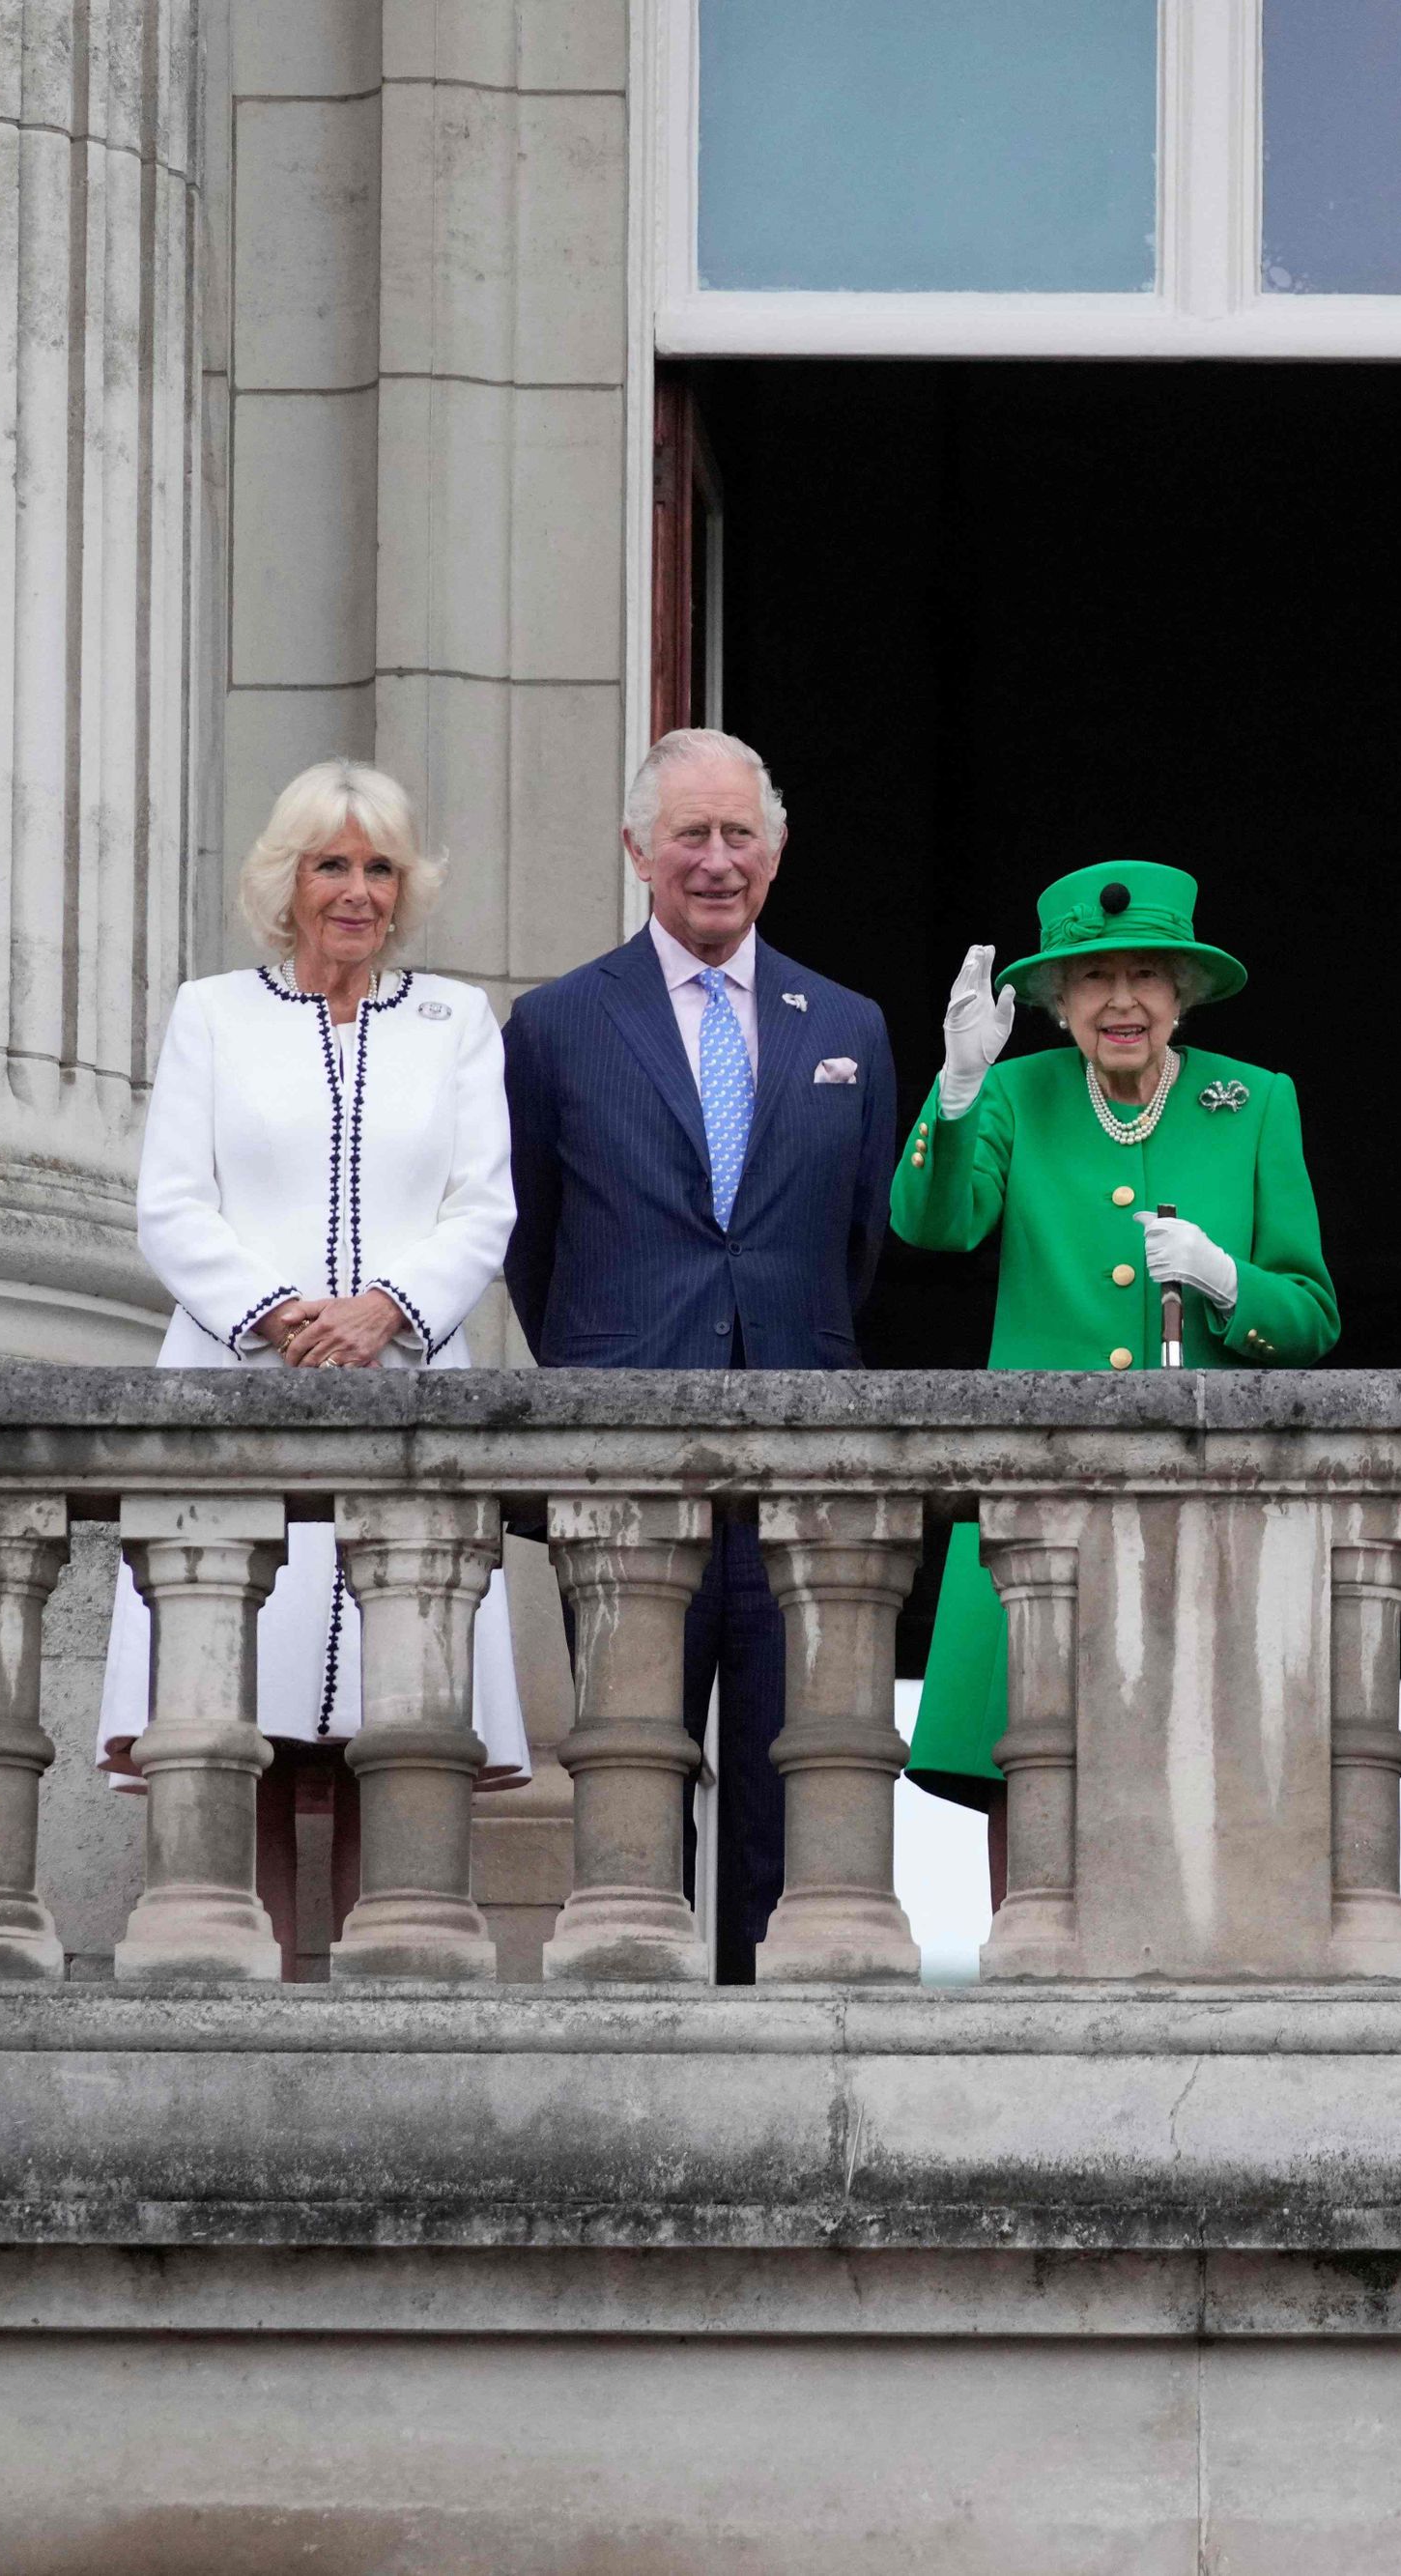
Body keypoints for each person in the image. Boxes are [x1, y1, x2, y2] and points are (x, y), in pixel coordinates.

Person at [97, 759, 530, 1974]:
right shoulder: (212, 1015)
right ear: (285, 883)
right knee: (242, 1714)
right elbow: (171, 1205)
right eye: (331, 865)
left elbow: (482, 1207)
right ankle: (258, 1993)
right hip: (239, 1387)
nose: (356, 891)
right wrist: (282, 1315)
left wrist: (386, 1309)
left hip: (405, 1390)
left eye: (379, 867)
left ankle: (377, 1995)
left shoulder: (455, 1022)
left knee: (390, 1727)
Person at [501, 727, 901, 1985]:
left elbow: (860, 1244)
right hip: (626, 1460)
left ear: (775, 854)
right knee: (633, 1776)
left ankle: (782, 2044)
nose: (717, 860)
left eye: (740, 834)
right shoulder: (554, 1025)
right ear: (638, 850)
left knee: (802, 1782)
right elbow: (532, 1240)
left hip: (801, 1465)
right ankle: (641, 2029)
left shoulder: (849, 1024)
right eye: (691, 834)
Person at [893, 863, 1338, 1847]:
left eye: (1147, 974)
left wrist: (1226, 1279)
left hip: (1199, 1496)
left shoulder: (1255, 1102)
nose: (1122, 1000)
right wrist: (956, 1090)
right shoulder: (1014, 1093)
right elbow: (933, 1225)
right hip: (1038, 1492)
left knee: (1199, 1798)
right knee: (1027, 1778)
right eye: (1094, 977)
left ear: (1184, 991)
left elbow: (1311, 1316)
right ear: (1059, 1000)